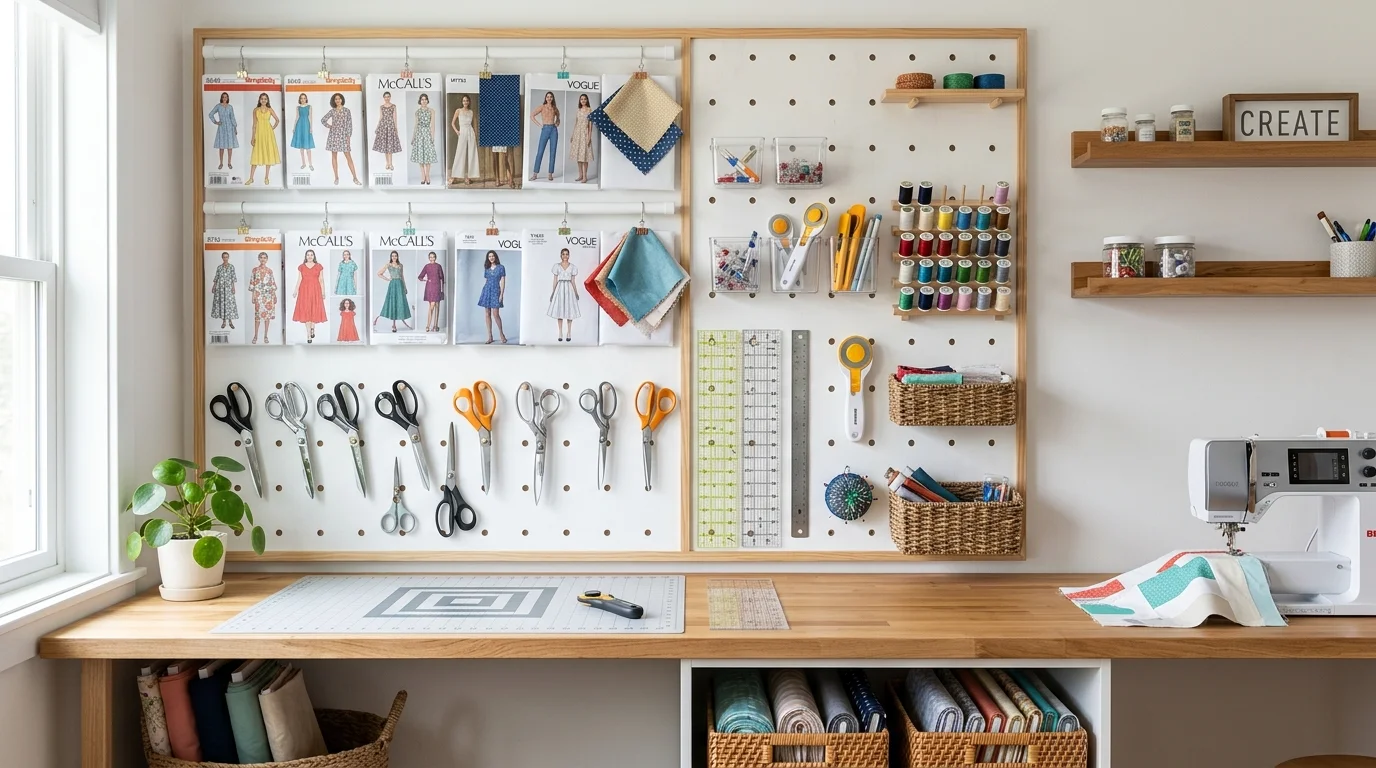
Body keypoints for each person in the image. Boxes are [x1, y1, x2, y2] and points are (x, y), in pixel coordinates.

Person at [321, 92, 361, 186]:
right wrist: (330, 126)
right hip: (334, 136)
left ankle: (355, 177)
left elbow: (349, 125)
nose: (337, 100)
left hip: (343, 135)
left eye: (339, 98)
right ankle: (336, 177)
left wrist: (348, 137)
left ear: (342, 99)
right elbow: (323, 120)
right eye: (336, 99)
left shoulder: (347, 111)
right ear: (334, 101)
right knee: (334, 157)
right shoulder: (332, 111)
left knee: (348, 157)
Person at [292, 249, 328, 343]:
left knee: (314, 310)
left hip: (315, 291)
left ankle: (312, 328)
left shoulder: (318, 266)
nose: (310, 256)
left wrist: (323, 292)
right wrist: (295, 290)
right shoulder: (301, 267)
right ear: (306, 256)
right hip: (304, 291)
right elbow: (299, 279)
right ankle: (308, 334)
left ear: (314, 256)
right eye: (308, 255)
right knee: (306, 311)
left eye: (311, 255)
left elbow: (321, 280)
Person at [546, 247, 581, 342]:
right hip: (560, 288)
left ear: (569, 255)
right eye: (563, 254)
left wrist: (576, 293)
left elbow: (573, 281)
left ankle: (569, 332)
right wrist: (553, 293)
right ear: (560, 255)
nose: (565, 256)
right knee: (559, 311)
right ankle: (560, 332)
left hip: (569, 289)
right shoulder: (556, 266)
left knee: (570, 311)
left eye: (567, 254)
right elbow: (555, 280)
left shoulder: (573, 267)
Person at [247, 93, 280, 185]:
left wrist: (272, 128)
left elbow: (277, 120)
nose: (263, 100)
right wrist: (253, 137)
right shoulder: (255, 110)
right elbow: (254, 125)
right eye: (262, 99)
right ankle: (251, 178)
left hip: (268, 134)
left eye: (265, 99)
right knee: (256, 154)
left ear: (267, 100)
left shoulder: (270, 109)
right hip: (259, 133)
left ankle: (266, 177)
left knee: (268, 153)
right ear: (259, 100)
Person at [375, 251, 412, 333]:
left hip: (400, 285)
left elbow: (402, 277)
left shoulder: (400, 265)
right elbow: (379, 273)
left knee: (400, 302)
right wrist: (388, 279)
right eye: (392, 256)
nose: (394, 257)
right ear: (391, 257)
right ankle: (394, 325)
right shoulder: (388, 265)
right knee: (392, 302)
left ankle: (399, 320)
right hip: (392, 285)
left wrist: (405, 287)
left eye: (395, 256)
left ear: (397, 257)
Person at [477, 250, 507, 344]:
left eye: (493, 256)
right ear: (488, 258)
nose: (491, 258)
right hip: (487, 291)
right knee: (487, 314)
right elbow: (486, 281)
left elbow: (502, 281)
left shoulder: (501, 267)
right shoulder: (487, 268)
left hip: (496, 291)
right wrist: (484, 293)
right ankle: (490, 336)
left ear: (495, 257)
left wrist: (501, 294)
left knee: (496, 314)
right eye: (489, 256)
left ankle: (501, 334)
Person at [448, 94, 479, 185]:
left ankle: (468, 178)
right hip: (462, 132)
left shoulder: (471, 112)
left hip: (470, 132)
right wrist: (457, 131)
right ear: (462, 102)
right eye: (464, 101)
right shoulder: (458, 111)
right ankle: (454, 176)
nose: (465, 102)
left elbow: (475, 125)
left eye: (467, 101)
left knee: (471, 154)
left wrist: (475, 136)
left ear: (469, 102)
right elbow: (452, 123)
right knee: (460, 153)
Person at [248, 252, 278, 344]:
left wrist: (275, 296)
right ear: (259, 259)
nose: (263, 259)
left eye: (265, 258)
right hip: (258, 295)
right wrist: (253, 296)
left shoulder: (269, 271)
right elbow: (252, 283)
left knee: (267, 317)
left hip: (268, 296)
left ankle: (265, 336)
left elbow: (272, 284)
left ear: (267, 259)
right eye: (261, 257)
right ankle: (256, 336)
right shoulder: (255, 270)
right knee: (257, 317)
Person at [530, 91, 560, 182]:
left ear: (553, 98)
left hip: (553, 130)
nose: (549, 98)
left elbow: (558, 118)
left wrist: (557, 123)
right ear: (545, 98)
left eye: (551, 97)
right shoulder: (542, 107)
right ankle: (535, 174)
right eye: (548, 97)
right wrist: (540, 125)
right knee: (540, 152)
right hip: (545, 129)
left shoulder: (555, 108)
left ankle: (550, 174)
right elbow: (532, 115)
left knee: (553, 152)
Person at [410, 93, 437, 185]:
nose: (424, 101)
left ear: (427, 100)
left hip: (427, 134)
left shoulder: (431, 111)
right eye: (422, 99)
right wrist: (413, 137)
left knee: (428, 156)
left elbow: (433, 125)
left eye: (425, 99)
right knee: (420, 156)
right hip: (419, 134)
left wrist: (432, 137)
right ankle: (423, 176)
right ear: (420, 101)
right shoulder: (417, 112)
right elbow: (415, 125)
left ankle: (428, 175)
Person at [372, 91, 401, 171]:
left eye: (388, 96)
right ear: (383, 98)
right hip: (383, 127)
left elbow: (395, 117)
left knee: (390, 146)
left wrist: (396, 128)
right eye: (385, 97)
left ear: (390, 97)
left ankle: (391, 164)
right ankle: (387, 163)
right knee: (385, 146)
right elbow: (380, 117)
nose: (387, 98)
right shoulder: (381, 107)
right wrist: (377, 127)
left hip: (391, 126)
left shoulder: (393, 106)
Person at [208, 92, 237, 170]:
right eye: (223, 97)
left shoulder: (230, 107)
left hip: (230, 128)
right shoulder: (218, 106)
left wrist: (235, 128)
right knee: (221, 147)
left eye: (226, 97)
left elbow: (232, 117)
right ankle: (221, 163)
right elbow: (210, 114)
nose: (225, 98)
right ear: (221, 98)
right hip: (222, 128)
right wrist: (216, 122)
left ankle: (229, 163)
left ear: (228, 98)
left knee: (229, 147)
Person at [417, 251, 444, 333]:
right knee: (431, 306)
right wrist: (426, 280)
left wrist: (442, 289)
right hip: (430, 287)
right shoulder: (427, 266)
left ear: (435, 257)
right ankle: (428, 325)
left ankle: (436, 325)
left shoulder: (439, 266)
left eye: (433, 257)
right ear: (429, 258)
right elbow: (420, 276)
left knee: (437, 306)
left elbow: (442, 278)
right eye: (430, 257)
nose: (432, 258)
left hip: (438, 287)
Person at [570, 93, 594, 184]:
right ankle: (580, 175)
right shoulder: (578, 110)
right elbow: (576, 123)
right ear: (580, 101)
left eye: (584, 99)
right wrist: (572, 135)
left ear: (587, 100)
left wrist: (589, 137)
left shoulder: (589, 110)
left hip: (585, 133)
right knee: (578, 156)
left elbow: (590, 125)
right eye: (581, 99)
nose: (583, 100)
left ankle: (585, 176)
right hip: (577, 134)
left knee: (584, 157)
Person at [210, 252, 238, 329]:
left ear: (228, 258)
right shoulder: (219, 267)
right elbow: (216, 277)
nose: (225, 258)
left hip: (229, 288)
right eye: (224, 257)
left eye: (226, 257)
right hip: (221, 289)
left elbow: (233, 278)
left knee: (229, 305)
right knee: (222, 305)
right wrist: (214, 286)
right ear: (222, 258)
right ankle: (224, 322)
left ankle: (230, 322)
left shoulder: (231, 267)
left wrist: (233, 287)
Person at [290, 92, 314, 171]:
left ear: (306, 99)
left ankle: (310, 164)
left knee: (308, 147)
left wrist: (311, 128)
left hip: (306, 125)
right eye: (301, 98)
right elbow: (296, 117)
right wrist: (294, 127)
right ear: (300, 99)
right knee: (301, 147)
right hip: (299, 126)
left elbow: (310, 118)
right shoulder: (298, 107)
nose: (303, 99)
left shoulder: (309, 107)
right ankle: (303, 163)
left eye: (304, 98)